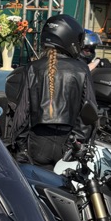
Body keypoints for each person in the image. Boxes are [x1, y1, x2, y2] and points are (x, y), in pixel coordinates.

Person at [6, 14, 97, 167]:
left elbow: (22, 114)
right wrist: (76, 142)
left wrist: (22, 148)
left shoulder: (32, 68)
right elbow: (89, 113)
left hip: (37, 144)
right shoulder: (82, 69)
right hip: (69, 143)